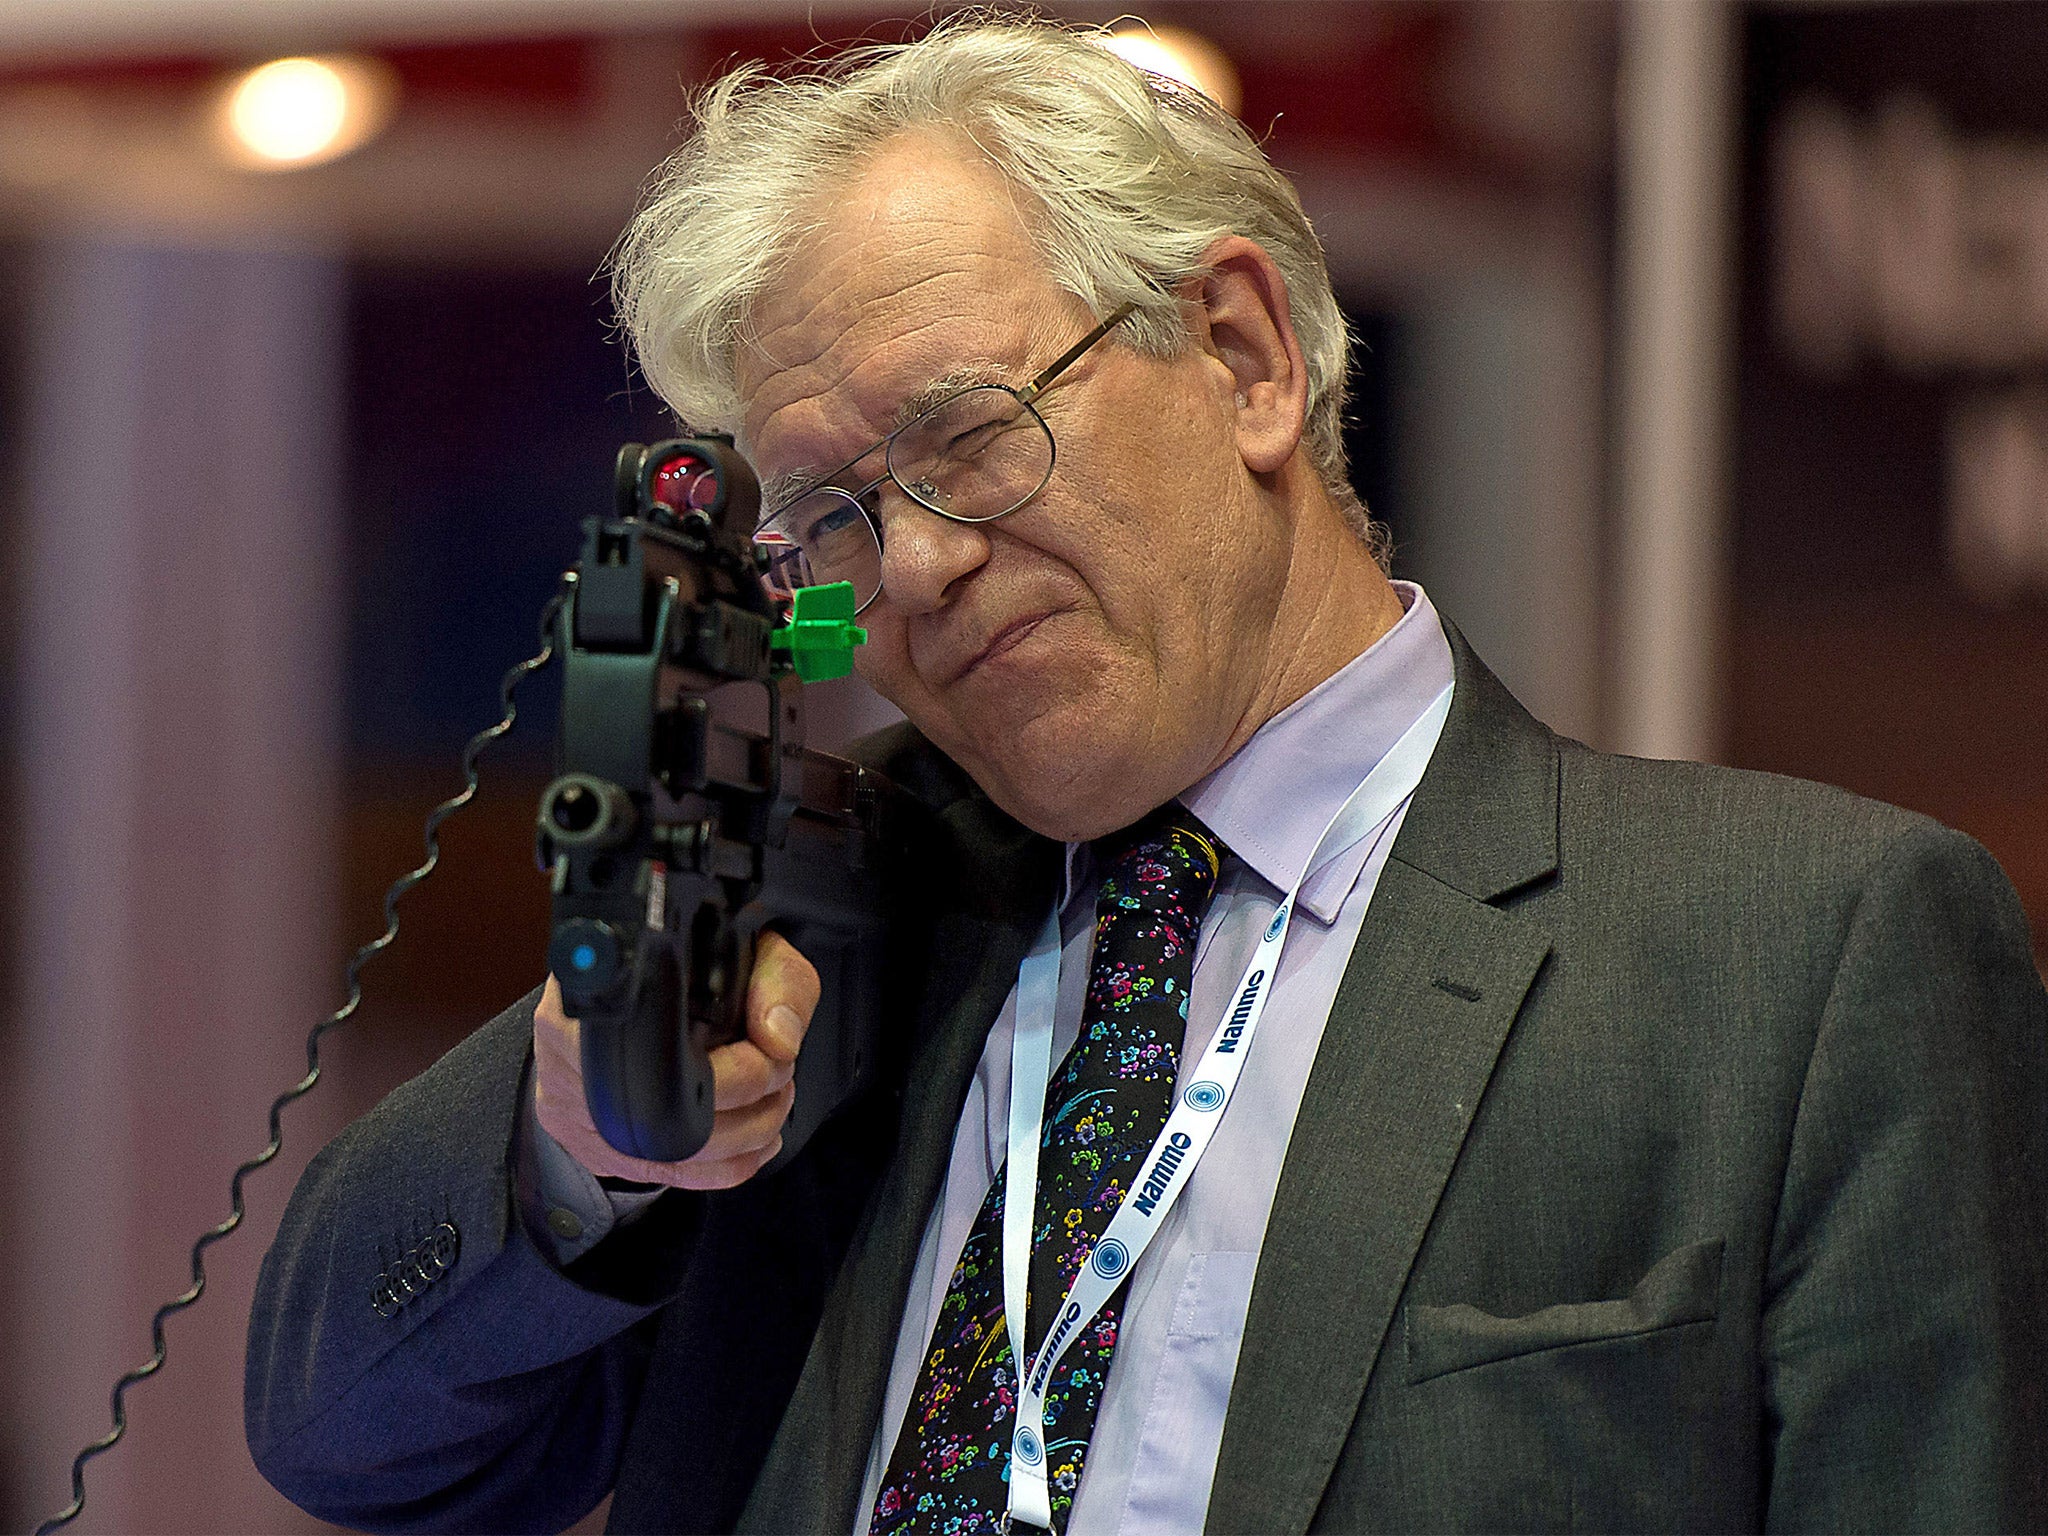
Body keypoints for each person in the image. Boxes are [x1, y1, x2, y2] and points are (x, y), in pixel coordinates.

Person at [246, 16, 2048, 1535]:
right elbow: (346, 1436)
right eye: (840, 521)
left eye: (969, 436)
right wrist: (581, 1151)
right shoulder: (812, 942)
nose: (923, 568)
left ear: (1247, 359)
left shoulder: (1795, 955)